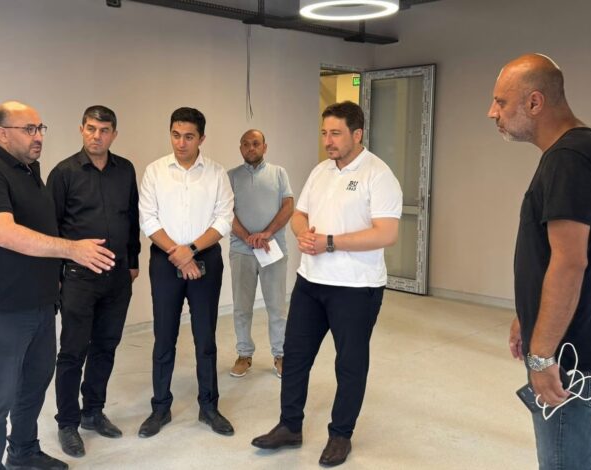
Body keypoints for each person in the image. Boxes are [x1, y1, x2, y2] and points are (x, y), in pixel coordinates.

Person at [487, 54, 591, 469]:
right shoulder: (582, 148)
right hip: (582, 338)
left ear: (534, 102)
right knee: (578, 456)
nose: (492, 112)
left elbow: (569, 263)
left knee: (565, 462)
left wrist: (542, 355)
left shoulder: (570, 159)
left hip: (570, 352)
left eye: (501, 102)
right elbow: (557, 257)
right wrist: (527, 315)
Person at [0, 100, 116, 470]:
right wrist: (72, 249)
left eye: (40, 128)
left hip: (41, 304)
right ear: (3, 133)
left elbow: (41, 227)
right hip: (3, 308)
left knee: (33, 384)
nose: (38, 137)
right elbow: (6, 234)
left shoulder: (29, 170)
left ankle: (23, 451)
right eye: (28, 129)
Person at [251, 101, 402, 467]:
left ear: (357, 134)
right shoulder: (320, 171)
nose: (328, 140)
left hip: (356, 288)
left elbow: (386, 233)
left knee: (349, 364)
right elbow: (299, 214)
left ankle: (340, 435)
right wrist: (303, 234)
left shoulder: (378, 174)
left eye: (335, 133)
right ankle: (289, 426)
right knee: (295, 355)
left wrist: (329, 242)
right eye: (324, 133)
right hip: (310, 281)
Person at [47, 105, 141, 458]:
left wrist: (133, 261)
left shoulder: (125, 169)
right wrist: (56, 277)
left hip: (118, 277)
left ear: (114, 134)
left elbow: (132, 217)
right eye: (91, 128)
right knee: (73, 351)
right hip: (79, 278)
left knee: (106, 346)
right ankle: (67, 423)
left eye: (104, 130)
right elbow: (51, 228)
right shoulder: (64, 173)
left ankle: (93, 411)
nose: (96, 136)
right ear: (81, 129)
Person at [137, 107, 235, 438]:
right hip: (165, 260)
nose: (181, 143)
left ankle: (209, 407)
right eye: (176, 135)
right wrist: (178, 254)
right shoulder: (155, 171)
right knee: (164, 336)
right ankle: (160, 408)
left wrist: (190, 250)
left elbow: (224, 219)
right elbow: (148, 219)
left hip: (205, 259)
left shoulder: (217, 174)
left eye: (189, 137)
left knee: (205, 337)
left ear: (201, 138)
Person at [227, 129, 293, 378]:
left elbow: (288, 206)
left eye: (256, 143)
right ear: (240, 148)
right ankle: (244, 354)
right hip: (241, 251)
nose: (251, 148)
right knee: (241, 307)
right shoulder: (231, 177)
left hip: (272, 250)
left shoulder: (279, 173)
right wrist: (248, 237)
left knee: (277, 307)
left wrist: (266, 233)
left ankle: (281, 355)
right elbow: (226, 212)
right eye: (245, 144)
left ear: (265, 147)